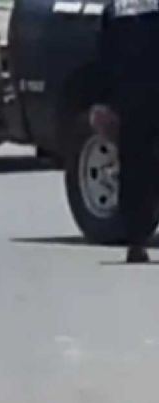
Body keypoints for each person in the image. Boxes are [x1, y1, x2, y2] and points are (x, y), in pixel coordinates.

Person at [98, 0, 159, 263]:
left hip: (129, 96)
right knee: (138, 166)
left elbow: (104, 58)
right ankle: (136, 239)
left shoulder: (116, 9)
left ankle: (136, 240)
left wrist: (105, 101)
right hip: (142, 92)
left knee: (134, 167)